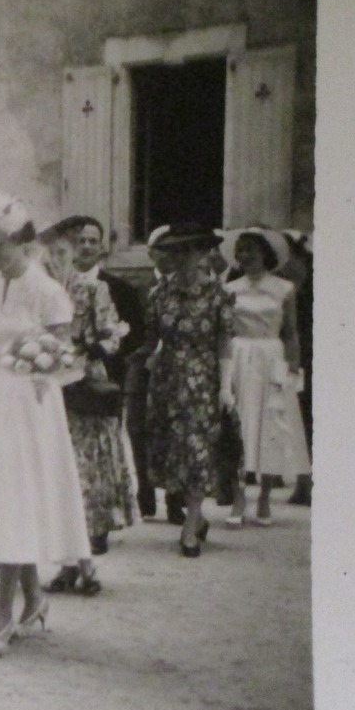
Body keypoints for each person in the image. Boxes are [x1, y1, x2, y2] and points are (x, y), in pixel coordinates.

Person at [0, 192, 89, 658]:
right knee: (1, 505)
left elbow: (65, 360)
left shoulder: (48, 291)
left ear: (22, 241)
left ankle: (4, 610)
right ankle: (34, 599)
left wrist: (37, 369)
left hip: (30, 406)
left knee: (15, 503)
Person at [39, 222, 136, 596]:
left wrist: (89, 348)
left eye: (72, 250)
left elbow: (114, 336)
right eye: (58, 252)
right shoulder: (42, 291)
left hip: (81, 386)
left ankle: (82, 562)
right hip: (47, 386)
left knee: (82, 474)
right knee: (57, 476)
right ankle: (72, 566)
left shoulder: (94, 289)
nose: (64, 258)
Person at [142, 223, 236, 557]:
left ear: (203, 254)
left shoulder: (218, 296)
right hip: (167, 377)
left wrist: (226, 387)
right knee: (172, 449)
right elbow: (151, 339)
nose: (182, 259)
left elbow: (225, 342)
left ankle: (190, 524)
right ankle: (193, 514)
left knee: (198, 448)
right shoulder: (159, 294)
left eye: (189, 251)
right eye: (176, 252)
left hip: (203, 378)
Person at [222, 228, 310, 527]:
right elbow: (225, 332)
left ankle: (264, 499)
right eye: (242, 250)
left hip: (271, 357)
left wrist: (293, 368)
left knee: (272, 424)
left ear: (266, 254)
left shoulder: (284, 289)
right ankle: (238, 499)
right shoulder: (230, 289)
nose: (246, 256)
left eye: (253, 250)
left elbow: (291, 333)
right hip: (240, 357)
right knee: (237, 426)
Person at [279, 230, 314, 506]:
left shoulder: (315, 283)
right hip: (288, 357)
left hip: (314, 356)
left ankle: (308, 481)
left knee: (310, 416)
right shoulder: (279, 285)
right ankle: (301, 479)